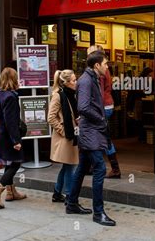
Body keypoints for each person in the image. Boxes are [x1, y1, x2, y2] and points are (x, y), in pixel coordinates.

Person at [66, 50, 116, 226]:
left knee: (82, 168)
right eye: (105, 63)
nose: (107, 66)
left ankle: (71, 203)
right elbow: (84, 107)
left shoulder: (93, 78)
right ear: (97, 65)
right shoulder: (87, 81)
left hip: (92, 131)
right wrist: (101, 118)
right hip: (90, 132)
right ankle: (98, 213)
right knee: (100, 169)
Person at [0, 67, 27, 208]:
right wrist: (16, 140)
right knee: (15, 163)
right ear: (14, 79)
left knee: (9, 163)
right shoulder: (10, 97)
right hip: (7, 137)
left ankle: (11, 192)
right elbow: (10, 121)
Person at [87, 45, 121, 179]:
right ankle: (92, 166)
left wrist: (96, 107)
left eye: (89, 52)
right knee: (100, 136)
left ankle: (114, 169)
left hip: (103, 106)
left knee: (103, 137)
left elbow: (99, 91)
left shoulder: (100, 71)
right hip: (106, 105)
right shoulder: (104, 69)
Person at [48, 69, 79, 204]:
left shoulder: (72, 95)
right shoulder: (58, 95)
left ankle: (57, 193)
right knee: (71, 166)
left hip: (72, 135)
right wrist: (64, 131)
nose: (76, 82)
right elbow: (50, 117)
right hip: (65, 137)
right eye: (73, 80)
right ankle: (69, 197)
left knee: (67, 166)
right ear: (66, 83)